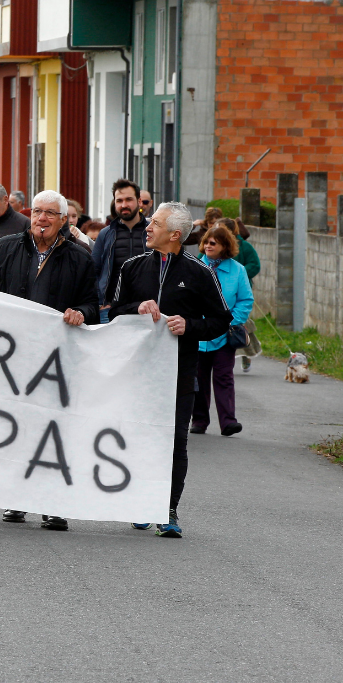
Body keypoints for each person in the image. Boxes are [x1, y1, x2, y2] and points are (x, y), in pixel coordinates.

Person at [110, 202, 231, 538]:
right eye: (150, 221)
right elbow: (113, 310)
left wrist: (189, 325)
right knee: (137, 438)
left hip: (180, 374)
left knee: (175, 442)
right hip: (137, 373)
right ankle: (139, 501)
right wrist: (137, 306)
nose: (148, 227)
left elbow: (222, 320)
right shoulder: (132, 267)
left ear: (175, 234)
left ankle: (167, 509)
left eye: (156, 222)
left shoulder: (199, 273)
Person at [0, 190, 99, 532]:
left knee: (54, 432)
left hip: (56, 361)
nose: (42, 219)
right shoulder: (5, 249)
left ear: (64, 220)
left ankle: (52, 504)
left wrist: (81, 312)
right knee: (16, 428)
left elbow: (94, 304)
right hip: (12, 357)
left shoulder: (80, 258)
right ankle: (16, 498)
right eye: (37, 212)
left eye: (50, 213)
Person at [191, 226, 253, 437]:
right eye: (206, 242)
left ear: (225, 246)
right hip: (199, 334)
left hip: (225, 335)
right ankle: (199, 421)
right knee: (198, 378)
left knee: (224, 377)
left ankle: (228, 422)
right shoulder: (195, 266)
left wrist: (230, 323)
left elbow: (245, 300)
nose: (207, 245)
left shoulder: (238, 270)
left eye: (213, 243)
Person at [92, 179, 147, 323]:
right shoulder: (105, 234)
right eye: (119, 200)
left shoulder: (153, 231)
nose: (124, 205)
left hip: (147, 310)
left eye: (129, 199)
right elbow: (93, 272)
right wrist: (100, 302)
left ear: (139, 201)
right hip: (110, 310)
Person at [219, 218, 261, 372]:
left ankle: (246, 354)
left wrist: (238, 275)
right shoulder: (215, 247)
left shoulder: (245, 247)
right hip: (219, 293)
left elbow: (254, 265)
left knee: (241, 324)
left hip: (240, 293)